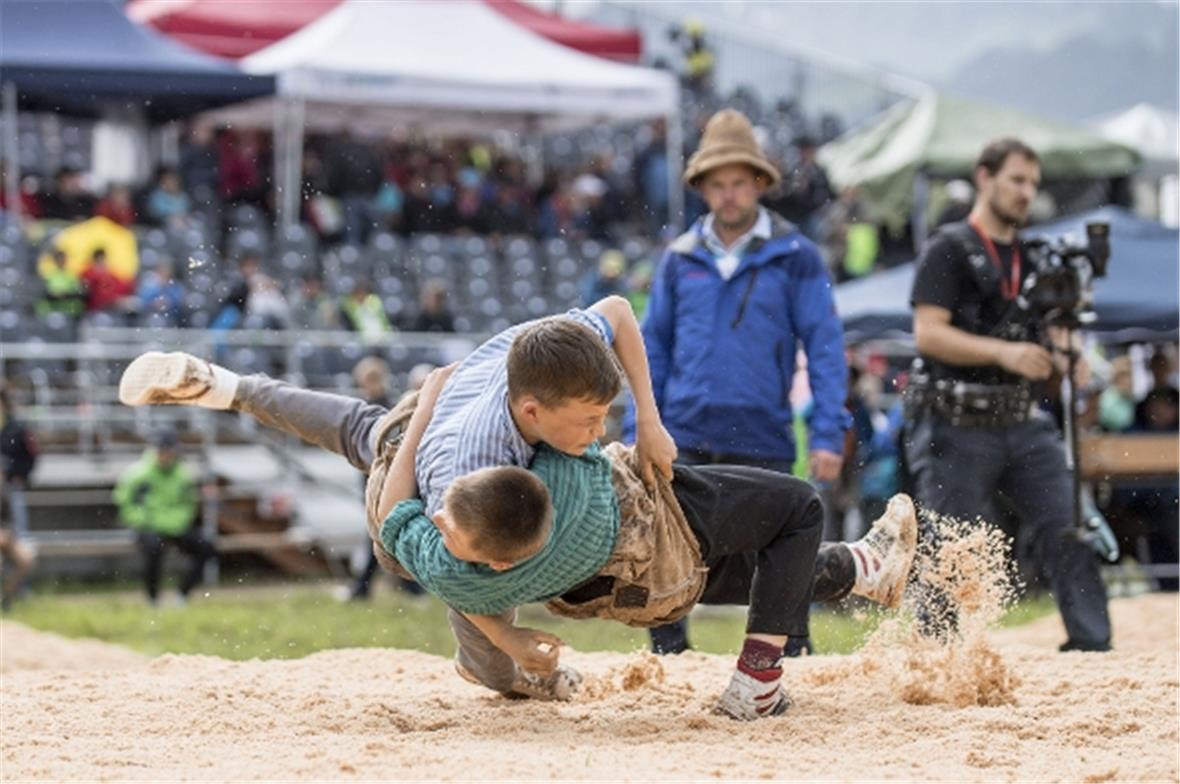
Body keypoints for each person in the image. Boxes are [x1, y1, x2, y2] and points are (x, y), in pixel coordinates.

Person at [117, 307, 915, 721]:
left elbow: (615, 311)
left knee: (360, 428)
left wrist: (648, 416)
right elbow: (437, 547)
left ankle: (224, 384)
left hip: (424, 429)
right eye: (586, 423)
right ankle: (828, 602)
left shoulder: (540, 355)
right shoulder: (466, 499)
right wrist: (505, 636)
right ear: (531, 414)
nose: (598, 431)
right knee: (498, 643)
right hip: (433, 470)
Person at [628, 108, 851, 656]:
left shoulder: (797, 256)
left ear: (758, 183)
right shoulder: (679, 259)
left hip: (763, 433)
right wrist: (639, 425)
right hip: (683, 430)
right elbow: (651, 348)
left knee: (780, 556)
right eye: (717, 185)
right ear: (703, 189)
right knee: (667, 554)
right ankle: (668, 660)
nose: (728, 195)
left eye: (739, 183)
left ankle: (790, 658)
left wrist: (826, 433)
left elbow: (823, 346)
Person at [902, 137, 1112, 652]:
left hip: (1022, 421)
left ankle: (1093, 648)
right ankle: (939, 663)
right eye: (1017, 180)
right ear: (984, 177)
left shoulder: (1038, 256)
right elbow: (928, 333)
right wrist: (1004, 354)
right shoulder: (948, 248)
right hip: (954, 421)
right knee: (952, 548)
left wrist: (1070, 357)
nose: (1026, 193)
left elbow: (1058, 331)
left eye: (1033, 184)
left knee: (1070, 527)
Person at [345, 357, 423, 601]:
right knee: (383, 535)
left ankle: (364, 588)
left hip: (382, 479)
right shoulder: (383, 406)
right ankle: (408, 588)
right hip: (374, 478)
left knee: (380, 535)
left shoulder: (385, 409)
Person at [112, 429, 215, 605]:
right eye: (161, 450)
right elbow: (125, 504)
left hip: (176, 526)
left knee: (206, 548)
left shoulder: (182, 475)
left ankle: (182, 596)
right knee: (153, 548)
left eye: (168, 450)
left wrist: (179, 521)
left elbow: (188, 504)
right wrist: (144, 521)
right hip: (149, 526)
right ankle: (153, 599)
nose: (165, 455)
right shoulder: (137, 474)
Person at [80, 248, 134, 315]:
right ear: (95, 259)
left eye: (102, 259)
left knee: (131, 305)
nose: (101, 262)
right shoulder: (88, 273)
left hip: (111, 303)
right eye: (99, 259)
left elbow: (122, 285)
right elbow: (86, 289)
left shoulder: (109, 273)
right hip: (95, 305)